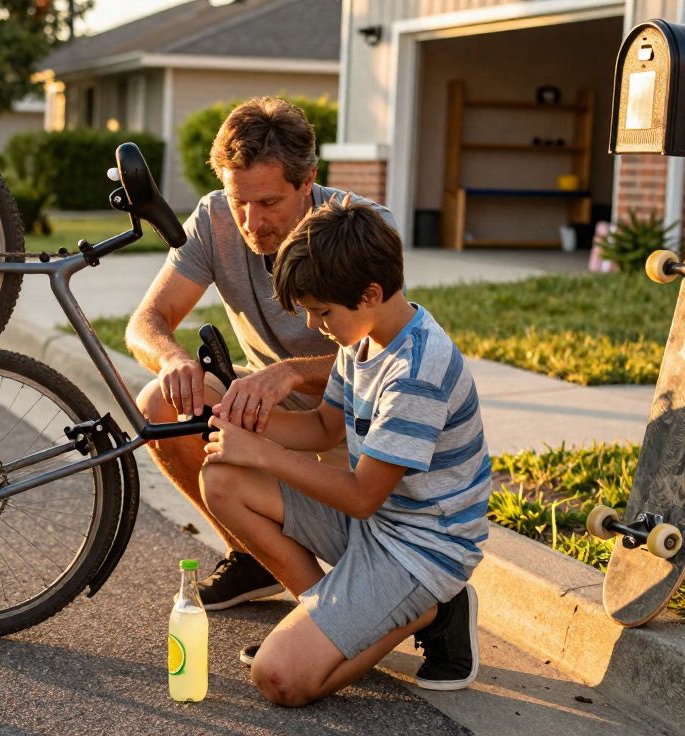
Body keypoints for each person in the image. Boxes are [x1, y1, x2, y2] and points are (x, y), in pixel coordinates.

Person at [200, 198, 488, 705]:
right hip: (377, 527)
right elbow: (323, 427)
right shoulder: (363, 339)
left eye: (321, 311)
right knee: (223, 477)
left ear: (371, 293)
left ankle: (437, 610)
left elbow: (360, 496)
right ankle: (325, 618)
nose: (314, 325)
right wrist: (242, 417)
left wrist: (261, 453)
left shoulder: (416, 372)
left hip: (421, 550)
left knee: (280, 680)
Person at [125, 96, 396, 609]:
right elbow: (146, 322)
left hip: (351, 409)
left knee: (376, 557)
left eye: (268, 203)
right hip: (261, 399)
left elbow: (388, 355)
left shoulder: (359, 228)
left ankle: (350, 612)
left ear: (308, 179)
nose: (251, 221)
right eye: (239, 200)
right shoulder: (215, 218)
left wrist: (292, 373)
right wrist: (173, 361)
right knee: (161, 401)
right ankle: (255, 560)